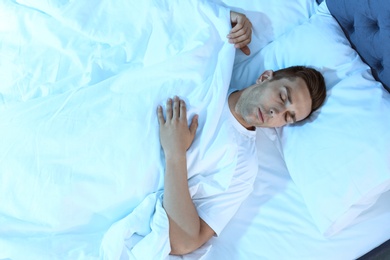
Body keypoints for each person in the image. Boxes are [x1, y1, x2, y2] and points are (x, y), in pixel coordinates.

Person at [156, 11, 326, 256]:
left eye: (286, 117)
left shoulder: (243, 169)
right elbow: (176, 14)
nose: (274, 111)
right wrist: (230, 18)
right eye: (282, 97)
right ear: (265, 77)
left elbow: (185, 243)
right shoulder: (217, 66)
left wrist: (175, 155)